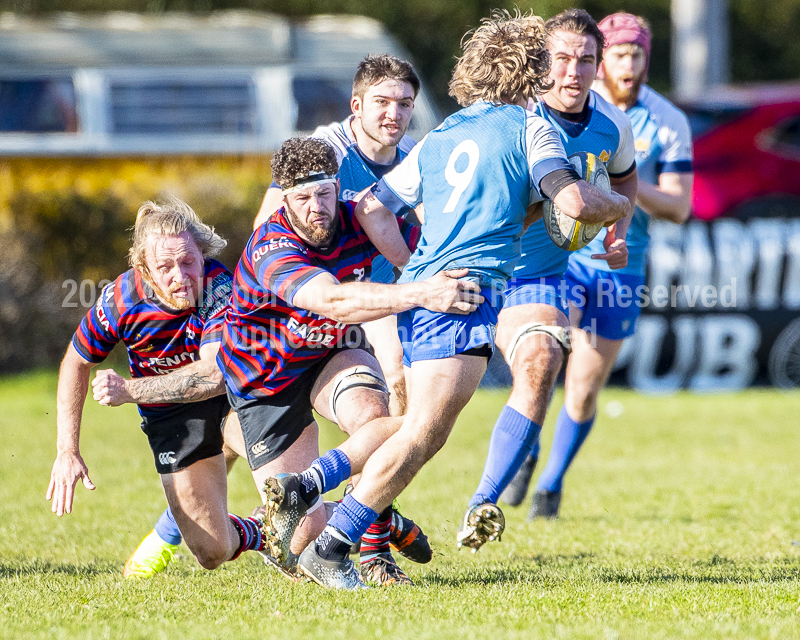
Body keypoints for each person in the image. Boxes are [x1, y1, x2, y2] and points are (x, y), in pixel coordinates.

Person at [264, 10, 631, 589]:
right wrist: (617, 205)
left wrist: (414, 265)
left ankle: (310, 489)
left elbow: (375, 206)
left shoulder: (445, 131)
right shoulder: (530, 129)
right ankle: (331, 544)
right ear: (529, 68)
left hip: (434, 293)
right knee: (420, 435)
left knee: (415, 427)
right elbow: (576, 203)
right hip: (458, 297)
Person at [220, 136, 481, 586]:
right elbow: (335, 301)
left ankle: (359, 530)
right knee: (303, 533)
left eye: (324, 193)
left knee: (378, 419)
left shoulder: (361, 218)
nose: (315, 207)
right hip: (265, 381)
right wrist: (423, 292)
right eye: (302, 198)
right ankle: (380, 519)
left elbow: (431, 251)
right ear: (284, 198)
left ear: (337, 186)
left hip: (328, 355)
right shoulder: (272, 247)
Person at [508, 12, 694, 519]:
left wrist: (612, 192)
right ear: (598, 62)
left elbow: (680, 207)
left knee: (585, 388)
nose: (628, 64)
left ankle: (550, 484)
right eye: (617, 55)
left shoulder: (666, 122)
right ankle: (523, 451)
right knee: (542, 360)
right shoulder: (558, 108)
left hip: (620, 267)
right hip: (561, 260)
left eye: (637, 54)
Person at [465, 9, 638, 534]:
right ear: (541, 62)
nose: (573, 71)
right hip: (473, 272)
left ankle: (483, 502)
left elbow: (625, 183)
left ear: (598, 65)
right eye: (561, 58)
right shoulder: (507, 118)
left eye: (586, 60)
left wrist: (616, 229)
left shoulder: (613, 126)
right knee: (418, 407)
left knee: (543, 365)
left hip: (538, 278)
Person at [46, 199, 268, 573]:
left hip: (231, 398)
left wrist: (130, 391)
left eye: (188, 261)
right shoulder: (122, 299)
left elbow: (215, 376)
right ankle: (261, 531)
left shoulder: (219, 288)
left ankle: (365, 523)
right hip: (172, 419)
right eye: (165, 266)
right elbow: (76, 361)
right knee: (212, 552)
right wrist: (67, 449)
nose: (180, 276)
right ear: (144, 270)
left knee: (288, 489)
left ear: (202, 253)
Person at [254, 54, 420, 418]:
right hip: (302, 297)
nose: (394, 114)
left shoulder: (413, 156)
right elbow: (263, 227)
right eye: (382, 102)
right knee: (247, 414)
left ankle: (376, 474)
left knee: (399, 374)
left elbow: (429, 228)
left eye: (404, 104)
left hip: (368, 289)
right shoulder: (324, 151)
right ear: (356, 105)